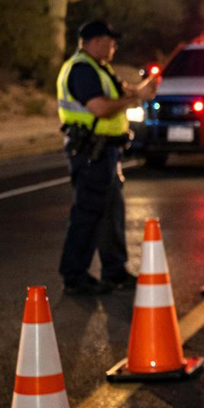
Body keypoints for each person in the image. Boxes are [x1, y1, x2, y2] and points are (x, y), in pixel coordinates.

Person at [56, 20, 159, 295]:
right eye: (111, 41)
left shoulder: (99, 68)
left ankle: (114, 273)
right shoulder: (82, 70)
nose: (114, 46)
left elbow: (123, 91)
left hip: (104, 153)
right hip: (91, 152)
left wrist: (141, 91)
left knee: (111, 212)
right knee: (87, 214)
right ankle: (74, 276)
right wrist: (135, 99)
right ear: (97, 41)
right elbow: (100, 108)